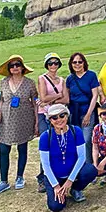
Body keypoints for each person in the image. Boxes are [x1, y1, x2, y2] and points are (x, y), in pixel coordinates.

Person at [0, 55, 38, 195]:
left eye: (17, 65)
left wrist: (36, 121)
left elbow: (35, 102)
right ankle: (3, 181)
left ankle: (20, 177)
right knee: (4, 149)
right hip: (7, 118)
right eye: (12, 66)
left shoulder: (30, 83)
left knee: (22, 148)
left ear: (22, 67)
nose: (15, 68)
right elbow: (2, 100)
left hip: (24, 118)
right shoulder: (3, 82)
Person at [38, 104, 98, 212]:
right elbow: (45, 164)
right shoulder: (45, 137)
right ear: (50, 120)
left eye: (62, 115)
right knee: (55, 207)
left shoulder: (76, 131)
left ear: (67, 116)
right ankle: (60, 192)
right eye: (54, 117)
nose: (59, 120)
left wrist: (70, 180)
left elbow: (81, 157)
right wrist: (56, 186)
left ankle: (75, 189)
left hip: (72, 175)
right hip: (55, 177)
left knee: (91, 170)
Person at [36, 53, 68, 193]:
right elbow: (42, 97)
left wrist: (51, 100)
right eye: (50, 63)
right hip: (45, 115)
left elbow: (67, 100)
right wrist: (58, 96)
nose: (53, 66)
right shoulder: (42, 78)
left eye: (56, 63)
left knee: (60, 144)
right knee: (46, 144)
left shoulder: (62, 80)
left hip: (60, 116)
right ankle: (43, 178)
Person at [66, 52, 99, 164]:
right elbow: (67, 98)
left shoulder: (91, 75)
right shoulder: (70, 79)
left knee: (86, 139)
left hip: (87, 110)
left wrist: (88, 114)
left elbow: (95, 95)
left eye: (80, 62)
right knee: (76, 140)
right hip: (74, 112)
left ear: (84, 63)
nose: (77, 64)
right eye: (74, 62)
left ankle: (89, 166)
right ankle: (78, 165)